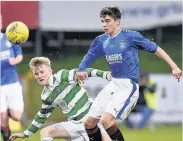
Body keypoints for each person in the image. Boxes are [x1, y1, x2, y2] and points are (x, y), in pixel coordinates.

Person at [75, 6, 182, 141]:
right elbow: (90, 55)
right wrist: (81, 68)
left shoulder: (130, 36)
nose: (104, 24)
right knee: (89, 123)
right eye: (102, 21)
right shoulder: (101, 40)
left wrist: (174, 66)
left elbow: (156, 49)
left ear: (117, 21)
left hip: (128, 85)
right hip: (113, 83)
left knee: (106, 120)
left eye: (107, 21)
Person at [9, 57, 112, 141]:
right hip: (74, 125)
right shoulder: (46, 95)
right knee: (46, 132)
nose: (39, 76)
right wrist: (25, 134)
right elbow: (41, 116)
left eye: (42, 71)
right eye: (36, 74)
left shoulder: (62, 76)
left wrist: (105, 74)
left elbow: (85, 72)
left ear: (50, 71)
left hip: (91, 122)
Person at [0, 32, 24, 141]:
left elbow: (19, 54)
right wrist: (6, 62)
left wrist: (18, 59)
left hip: (12, 82)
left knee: (17, 117)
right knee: (3, 115)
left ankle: (7, 110)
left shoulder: (10, 37)